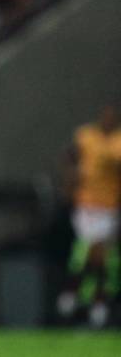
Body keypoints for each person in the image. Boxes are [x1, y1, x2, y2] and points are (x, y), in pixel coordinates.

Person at [56, 104, 121, 328]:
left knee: (102, 257)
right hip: (86, 205)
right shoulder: (86, 136)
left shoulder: (119, 142)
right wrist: (69, 180)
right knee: (86, 253)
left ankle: (85, 300)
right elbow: (69, 157)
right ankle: (85, 301)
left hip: (109, 207)